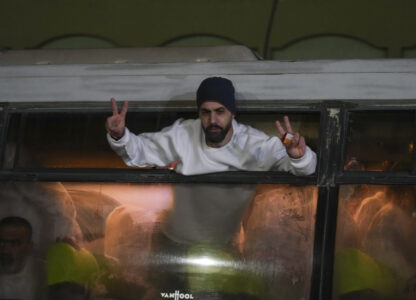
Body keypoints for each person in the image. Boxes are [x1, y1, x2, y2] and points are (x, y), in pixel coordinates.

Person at [106, 76, 317, 176]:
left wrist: (299, 156)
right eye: (205, 112)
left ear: (233, 113)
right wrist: (120, 135)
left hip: (232, 240)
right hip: (179, 236)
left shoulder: (255, 144)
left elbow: (306, 170)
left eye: (220, 112)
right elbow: (140, 152)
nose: (213, 120)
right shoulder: (183, 135)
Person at [0, 216, 47, 300]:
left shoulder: (42, 271)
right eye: (1, 242)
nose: (5, 250)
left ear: (29, 247)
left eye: (14, 243)